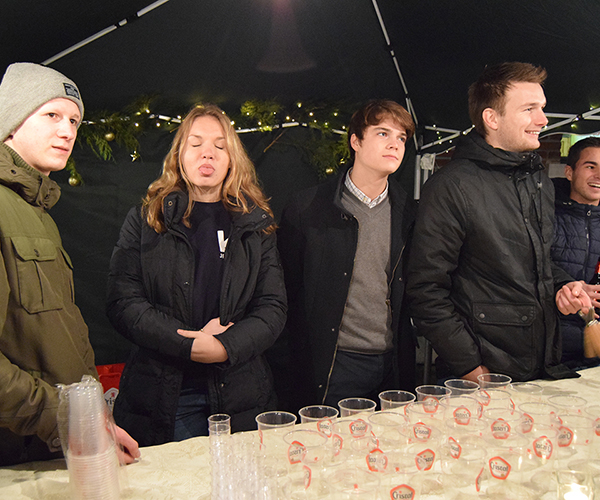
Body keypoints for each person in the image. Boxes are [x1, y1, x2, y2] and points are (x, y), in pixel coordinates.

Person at [106, 104, 287, 446]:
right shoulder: (146, 219)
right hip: (164, 396)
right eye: (196, 143)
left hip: (241, 394)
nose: (208, 153)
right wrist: (189, 345)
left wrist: (223, 348)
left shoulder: (256, 224)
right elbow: (123, 302)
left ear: (232, 159)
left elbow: (272, 308)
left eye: (220, 146)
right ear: (179, 155)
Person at [406, 62, 592, 384]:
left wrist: (562, 286)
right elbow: (425, 290)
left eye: (542, 108)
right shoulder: (451, 186)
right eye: (529, 109)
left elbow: (536, 263)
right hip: (482, 378)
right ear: (492, 118)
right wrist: (471, 368)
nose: (543, 120)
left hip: (542, 372)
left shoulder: (538, 181)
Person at [0, 62, 139, 465]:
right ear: (11, 121)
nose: (67, 131)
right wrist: (65, 419)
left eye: (74, 121)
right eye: (52, 115)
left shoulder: (37, 212)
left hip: (55, 447)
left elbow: (58, 333)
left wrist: (93, 420)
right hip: (16, 459)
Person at [276, 99, 417, 411]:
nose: (394, 144)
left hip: (391, 362)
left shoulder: (409, 212)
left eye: (401, 138)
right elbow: (285, 293)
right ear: (356, 141)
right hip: (333, 362)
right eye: (383, 133)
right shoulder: (307, 208)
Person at [551, 137, 600, 368]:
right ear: (569, 172)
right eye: (591, 166)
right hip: (550, 349)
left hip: (595, 351)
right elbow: (525, 267)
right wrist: (566, 286)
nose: (599, 176)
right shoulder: (545, 215)